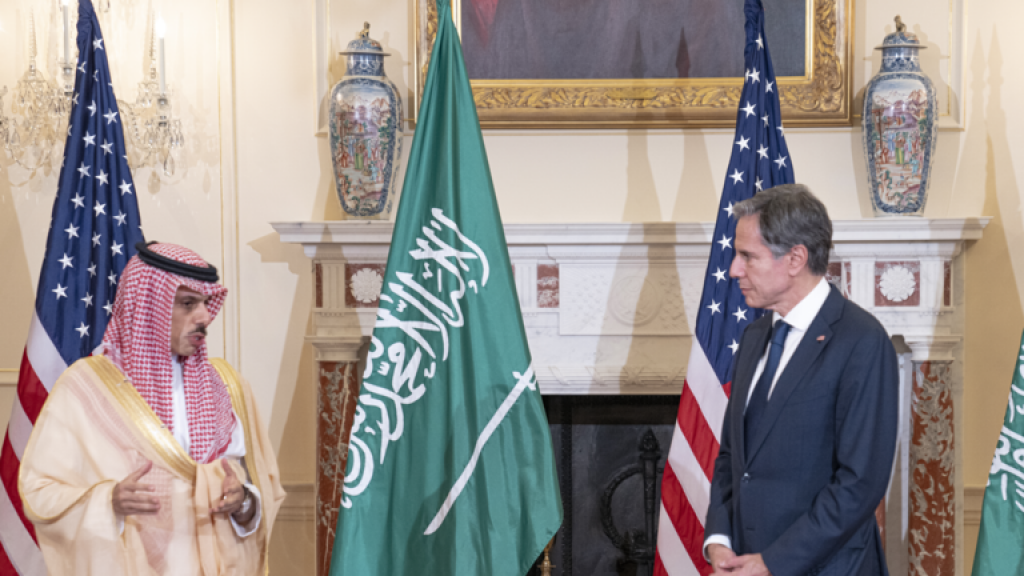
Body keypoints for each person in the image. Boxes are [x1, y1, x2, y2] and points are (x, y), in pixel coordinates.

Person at [19, 242, 285, 575]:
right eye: (187, 303)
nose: (205, 317)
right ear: (147, 307)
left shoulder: (224, 386)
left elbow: (253, 488)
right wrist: (108, 502)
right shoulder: (86, 387)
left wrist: (243, 502)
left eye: (205, 303)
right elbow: (40, 492)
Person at [704, 185, 898, 576]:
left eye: (748, 256)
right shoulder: (754, 336)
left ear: (795, 258)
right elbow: (732, 456)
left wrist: (773, 562)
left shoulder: (861, 341)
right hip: (746, 563)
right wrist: (719, 539)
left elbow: (859, 484)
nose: (734, 270)